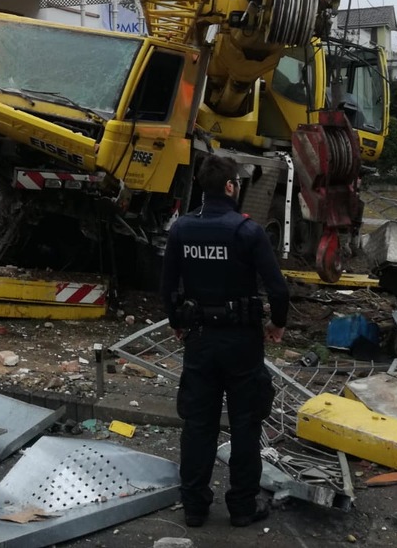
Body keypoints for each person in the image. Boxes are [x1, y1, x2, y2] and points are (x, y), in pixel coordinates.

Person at [160, 154, 290, 529]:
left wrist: (176, 321)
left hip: (200, 339)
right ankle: (242, 507)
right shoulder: (247, 232)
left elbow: (167, 286)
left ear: (203, 187)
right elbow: (278, 289)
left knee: (198, 425)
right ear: (232, 186)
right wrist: (277, 325)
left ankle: (195, 508)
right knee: (245, 424)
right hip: (242, 343)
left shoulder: (182, 230)